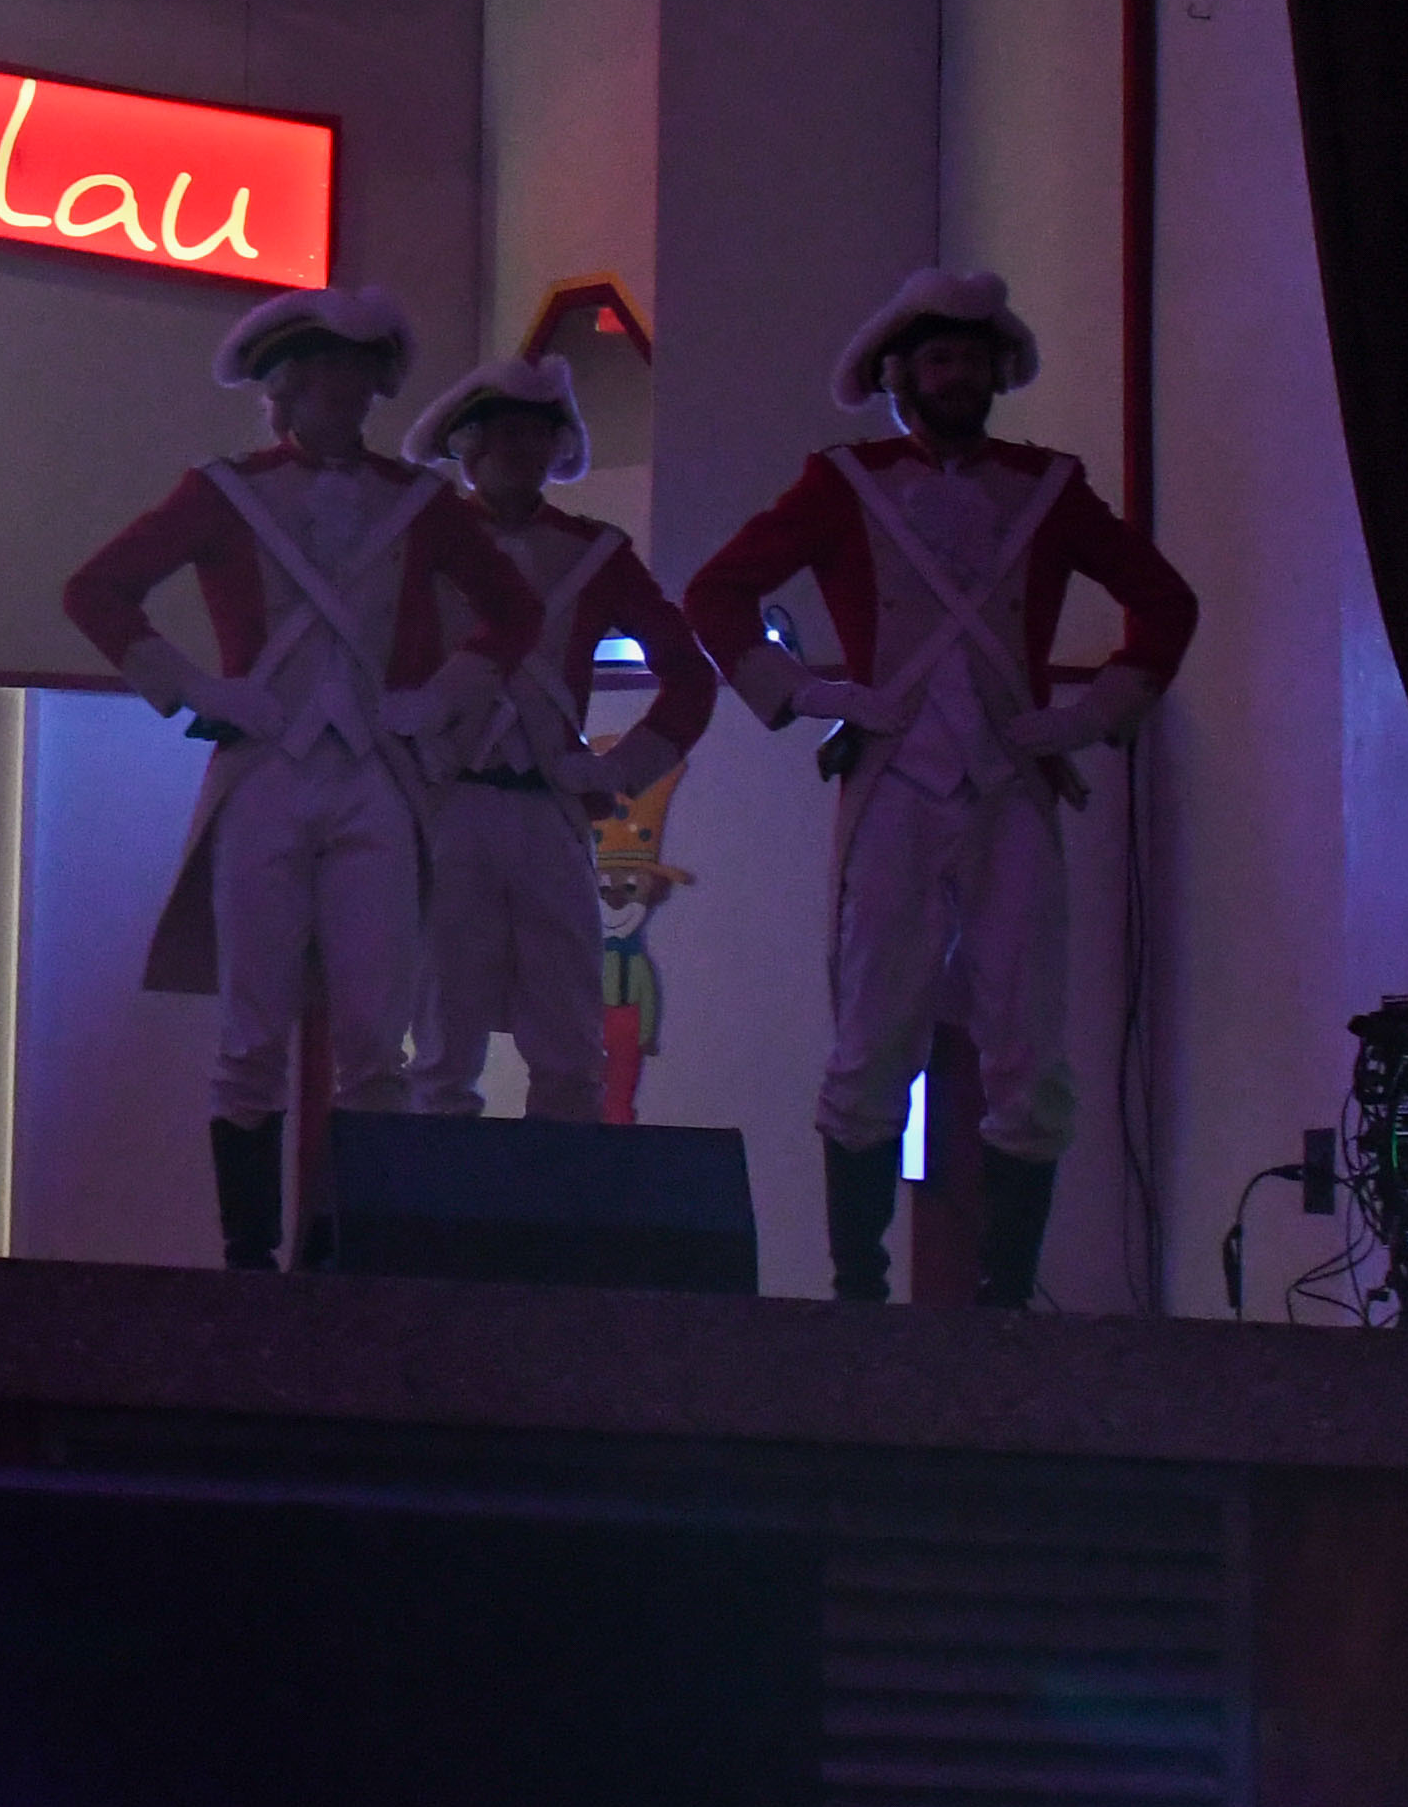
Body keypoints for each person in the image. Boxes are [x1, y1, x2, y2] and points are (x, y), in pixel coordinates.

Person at [679, 270, 1200, 1310]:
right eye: (939, 359)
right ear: (901, 377)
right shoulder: (845, 483)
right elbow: (716, 591)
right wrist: (809, 692)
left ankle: (1004, 1303)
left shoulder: (1048, 486)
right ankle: (859, 1293)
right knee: (872, 1037)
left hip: (1011, 788)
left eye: (972, 359)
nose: (959, 376)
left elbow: (1165, 602)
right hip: (894, 786)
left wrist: (1089, 715)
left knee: (1032, 1048)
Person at [63, 286, 542, 1270]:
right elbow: (95, 589)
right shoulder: (222, 491)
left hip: (378, 777)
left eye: (357, 381)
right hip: (263, 777)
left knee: (376, 1041)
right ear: (285, 388)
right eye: (325, 379)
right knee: (250, 1036)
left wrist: (442, 695)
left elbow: (513, 611)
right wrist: (195, 689)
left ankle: (353, 1261)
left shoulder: (419, 502)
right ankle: (248, 1263)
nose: (344, 398)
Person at [397, 350, 717, 1123]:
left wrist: (620, 769)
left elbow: (689, 674)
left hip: (552, 807)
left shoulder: (596, 553)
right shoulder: (418, 541)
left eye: (535, 435)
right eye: (504, 434)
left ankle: (560, 1193)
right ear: (468, 445)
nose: (521, 450)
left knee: (572, 1041)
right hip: (448, 802)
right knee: (442, 1040)